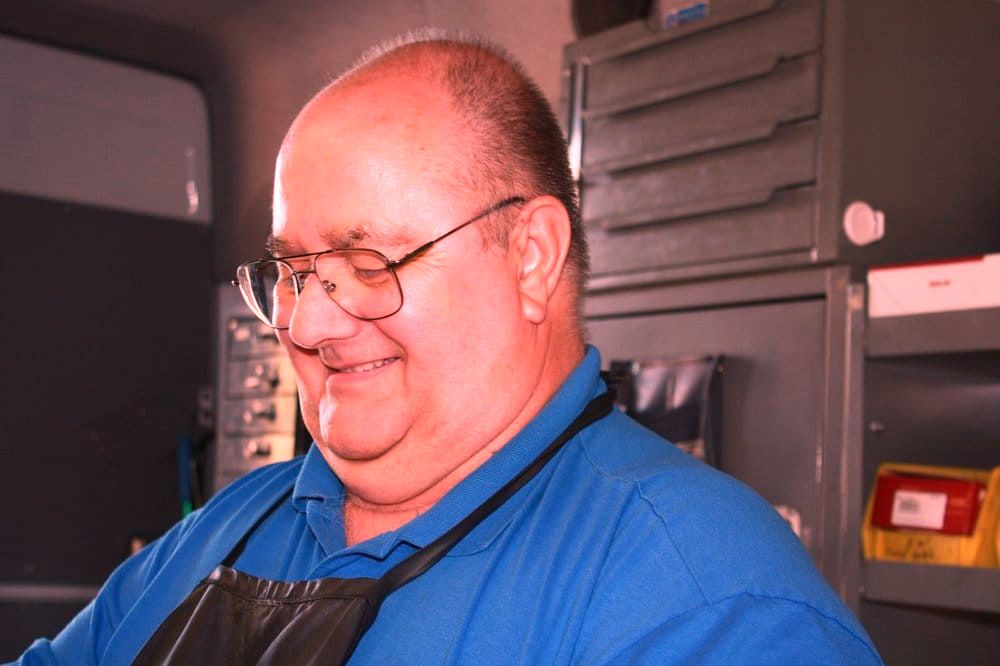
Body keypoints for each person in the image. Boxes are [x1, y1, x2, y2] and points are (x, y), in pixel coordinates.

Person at [17, 33, 881, 664]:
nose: (307, 327)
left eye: (368, 264)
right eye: (293, 272)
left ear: (531, 258)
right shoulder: (232, 526)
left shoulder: (705, 600)